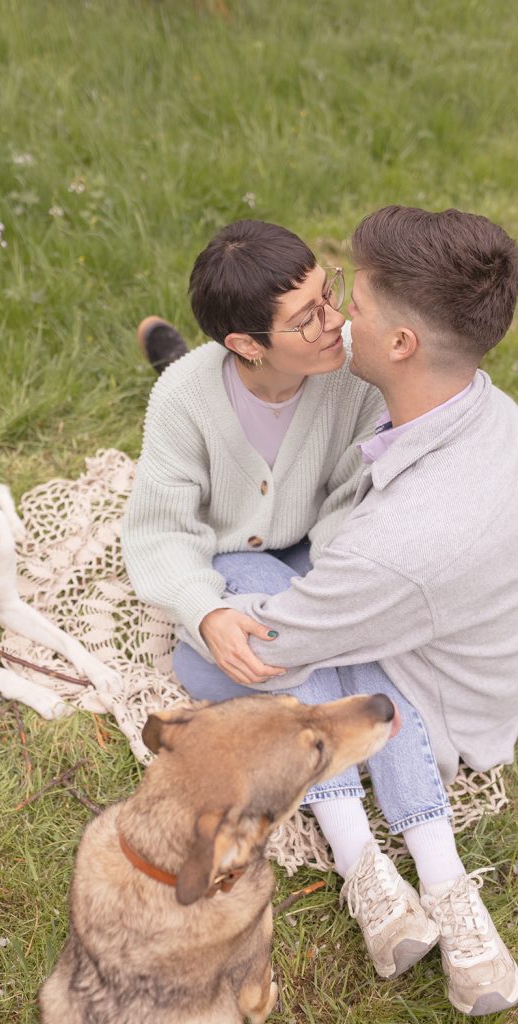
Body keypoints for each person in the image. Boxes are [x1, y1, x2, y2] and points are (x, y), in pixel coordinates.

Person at [168, 206, 518, 1016]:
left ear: (400, 345)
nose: (336, 321)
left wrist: (219, 594)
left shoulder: (398, 547)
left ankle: (384, 866)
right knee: (262, 580)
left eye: (351, 306)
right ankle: (425, 885)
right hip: (465, 644)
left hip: (429, 704)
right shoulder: (484, 407)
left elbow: (268, 650)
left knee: (217, 638)